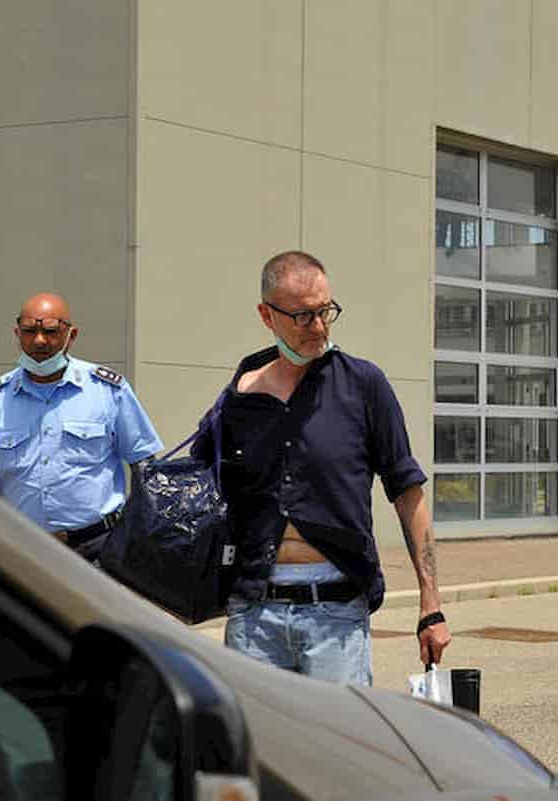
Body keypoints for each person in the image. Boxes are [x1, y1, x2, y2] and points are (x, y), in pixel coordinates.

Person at [191, 250, 450, 686]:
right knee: (257, 751)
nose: (319, 326)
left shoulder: (364, 386)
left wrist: (431, 601)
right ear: (266, 315)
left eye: (325, 311)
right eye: (303, 316)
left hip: (337, 615)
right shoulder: (238, 398)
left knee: (339, 749)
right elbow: (199, 493)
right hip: (254, 615)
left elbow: (408, 494)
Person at [0, 293, 163, 562]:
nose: (39, 340)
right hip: (22, 550)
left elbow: (144, 466)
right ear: (17, 334)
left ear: (71, 335)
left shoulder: (108, 391)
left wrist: (140, 535)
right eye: (29, 331)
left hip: (101, 548)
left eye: (50, 331)